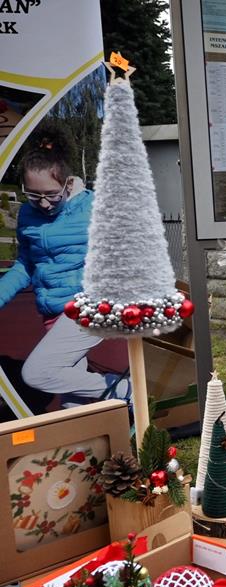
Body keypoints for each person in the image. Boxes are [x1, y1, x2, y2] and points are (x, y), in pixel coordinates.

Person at [0, 123, 128, 407]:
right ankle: (109, 425)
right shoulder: (27, 215)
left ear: (68, 184)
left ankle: (122, 389)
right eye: (34, 195)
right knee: (72, 400)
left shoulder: (94, 209)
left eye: (51, 195)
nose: (44, 204)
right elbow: (26, 265)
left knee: (37, 373)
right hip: (53, 311)